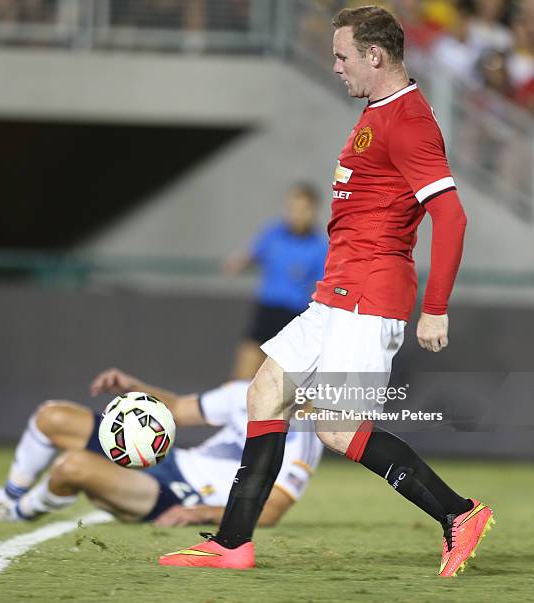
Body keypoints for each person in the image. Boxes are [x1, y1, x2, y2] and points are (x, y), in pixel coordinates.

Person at [159, 6, 493, 578]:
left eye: (342, 56)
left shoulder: (408, 121)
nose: (335, 66)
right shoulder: (378, 111)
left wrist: (434, 308)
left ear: (375, 56)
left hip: (370, 296)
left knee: (336, 427)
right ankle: (233, 544)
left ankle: (458, 513)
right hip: (336, 293)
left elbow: (453, 218)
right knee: (265, 393)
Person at [0, 368, 323, 526]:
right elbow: (176, 408)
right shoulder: (247, 392)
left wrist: (198, 513)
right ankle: (5, 494)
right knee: (52, 417)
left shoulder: (303, 435)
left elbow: (272, 510)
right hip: (169, 459)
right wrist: (132, 385)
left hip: (180, 494)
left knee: (72, 466)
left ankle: (14, 513)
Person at [224, 183, 327, 380]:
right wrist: (239, 262)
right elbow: (253, 254)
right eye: (292, 208)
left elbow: (323, 283)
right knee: (241, 377)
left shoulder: (319, 246)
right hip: (266, 311)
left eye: (302, 209)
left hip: (292, 317)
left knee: (286, 384)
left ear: (313, 211)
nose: (296, 214)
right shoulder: (273, 233)